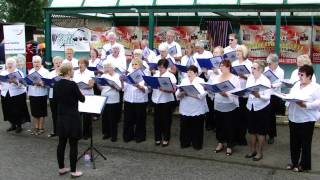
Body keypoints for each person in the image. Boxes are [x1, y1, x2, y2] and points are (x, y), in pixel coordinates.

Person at [286, 65, 320, 172]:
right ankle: (294, 162)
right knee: (294, 142)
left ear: (309, 76)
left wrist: (306, 105)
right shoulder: (296, 84)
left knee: (305, 143)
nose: (300, 76)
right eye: (299, 74)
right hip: (293, 118)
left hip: (306, 120)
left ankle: (304, 165)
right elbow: (291, 96)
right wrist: (286, 98)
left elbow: (318, 102)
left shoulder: (316, 87)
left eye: (302, 75)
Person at [53, 62, 85, 178]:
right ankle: (73, 171)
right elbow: (82, 99)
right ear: (68, 71)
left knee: (61, 143)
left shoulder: (56, 84)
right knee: (73, 144)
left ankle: (61, 168)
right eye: (72, 70)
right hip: (72, 117)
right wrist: (79, 92)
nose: (73, 71)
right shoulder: (72, 84)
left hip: (61, 116)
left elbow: (55, 99)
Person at [212, 60, 240, 156]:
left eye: (223, 66)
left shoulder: (235, 78)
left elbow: (237, 92)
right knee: (219, 125)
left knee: (229, 125)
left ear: (228, 67)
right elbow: (213, 88)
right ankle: (220, 143)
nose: (221, 67)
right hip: (219, 104)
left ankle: (229, 145)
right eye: (220, 66)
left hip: (229, 105)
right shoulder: (217, 77)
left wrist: (226, 94)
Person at [176, 65, 207, 150]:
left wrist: (188, 93)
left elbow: (202, 95)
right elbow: (177, 94)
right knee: (185, 126)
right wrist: (181, 93)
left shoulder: (201, 80)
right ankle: (185, 143)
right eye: (188, 72)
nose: (189, 73)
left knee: (197, 127)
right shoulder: (184, 80)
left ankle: (196, 144)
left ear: (196, 73)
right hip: (185, 107)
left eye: (191, 72)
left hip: (197, 107)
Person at [245, 61, 271, 161]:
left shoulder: (265, 81)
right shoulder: (250, 78)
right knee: (251, 130)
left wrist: (259, 95)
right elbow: (248, 91)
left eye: (254, 68)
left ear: (260, 69)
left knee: (261, 132)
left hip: (262, 108)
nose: (252, 70)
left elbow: (267, 98)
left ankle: (260, 153)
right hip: (250, 106)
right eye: (251, 68)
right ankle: (252, 150)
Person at [122, 58, 149, 143]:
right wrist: (122, 81)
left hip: (140, 101)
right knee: (128, 119)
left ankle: (139, 136)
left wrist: (139, 87)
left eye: (136, 64)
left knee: (140, 120)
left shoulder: (145, 75)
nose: (134, 66)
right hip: (128, 99)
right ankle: (128, 136)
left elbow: (147, 90)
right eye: (132, 64)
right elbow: (124, 89)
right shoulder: (129, 74)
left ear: (140, 65)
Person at [0, 57, 30, 133]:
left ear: (14, 65)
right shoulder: (3, 72)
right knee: (8, 109)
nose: (9, 65)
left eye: (11, 64)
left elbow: (22, 84)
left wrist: (15, 82)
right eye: (8, 64)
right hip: (5, 93)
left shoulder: (19, 73)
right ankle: (12, 125)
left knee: (17, 110)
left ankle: (19, 125)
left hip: (17, 94)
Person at [152, 59, 177, 147]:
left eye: (162, 67)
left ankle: (166, 138)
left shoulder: (171, 76)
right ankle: (157, 138)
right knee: (157, 120)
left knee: (166, 120)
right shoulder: (155, 74)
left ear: (166, 67)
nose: (160, 69)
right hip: (156, 100)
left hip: (166, 101)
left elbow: (174, 90)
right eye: (159, 67)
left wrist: (165, 89)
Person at [232, 44, 253, 145]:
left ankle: (242, 138)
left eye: (239, 51)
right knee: (235, 116)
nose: (237, 53)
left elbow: (253, 79)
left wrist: (244, 76)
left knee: (243, 117)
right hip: (235, 93)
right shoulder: (234, 63)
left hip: (245, 93)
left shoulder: (249, 64)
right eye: (236, 51)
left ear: (244, 53)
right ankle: (235, 137)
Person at [99, 61, 122, 141]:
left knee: (113, 118)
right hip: (104, 98)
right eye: (105, 67)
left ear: (112, 68)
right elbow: (100, 88)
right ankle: (106, 133)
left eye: (107, 67)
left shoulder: (117, 76)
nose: (106, 69)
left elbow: (120, 88)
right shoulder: (103, 75)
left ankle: (113, 135)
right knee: (105, 118)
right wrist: (98, 84)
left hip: (114, 99)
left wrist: (114, 86)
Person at [72, 58, 95, 139]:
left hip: (87, 96)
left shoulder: (90, 73)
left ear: (86, 65)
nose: (80, 65)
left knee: (87, 116)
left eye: (82, 63)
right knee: (77, 116)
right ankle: (77, 133)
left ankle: (86, 134)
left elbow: (91, 85)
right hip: (77, 96)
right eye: (79, 63)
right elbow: (72, 83)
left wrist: (82, 85)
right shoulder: (75, 73)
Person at [264, 54, 285, 144]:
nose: (268, 65)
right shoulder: (266, 69)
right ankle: (263, 133)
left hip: (274, 95)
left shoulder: (280, 71)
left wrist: (272, 85)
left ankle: (272, 135)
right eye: (268, 63)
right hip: (266, 94)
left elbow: (280, 83)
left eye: (270, 64)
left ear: (276, 63)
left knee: (271, 116)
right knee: (265, 115)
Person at [28, 55, 49, 136]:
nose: (36, 64)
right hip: (32, 93)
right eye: (34, 62)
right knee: (34, 112)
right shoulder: (31, 71)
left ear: (41, 63)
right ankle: (36, 127)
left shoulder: (45, 71)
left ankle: (41, 128)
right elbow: (28, 81)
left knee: (41, 112)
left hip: (41, 94)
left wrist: (41, 84)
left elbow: (47, 84)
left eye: (38, 62)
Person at [48, 56, 63, 137]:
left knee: (62, 113)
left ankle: (62, 131)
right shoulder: (50, 73)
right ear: (53, 64)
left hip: (62, 95)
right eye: (56, 63)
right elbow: (47, 84)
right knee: (54, 114)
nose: (57, 64)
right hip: (52, 95)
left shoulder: (64, 73)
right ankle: (55, 130)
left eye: (59, 63)